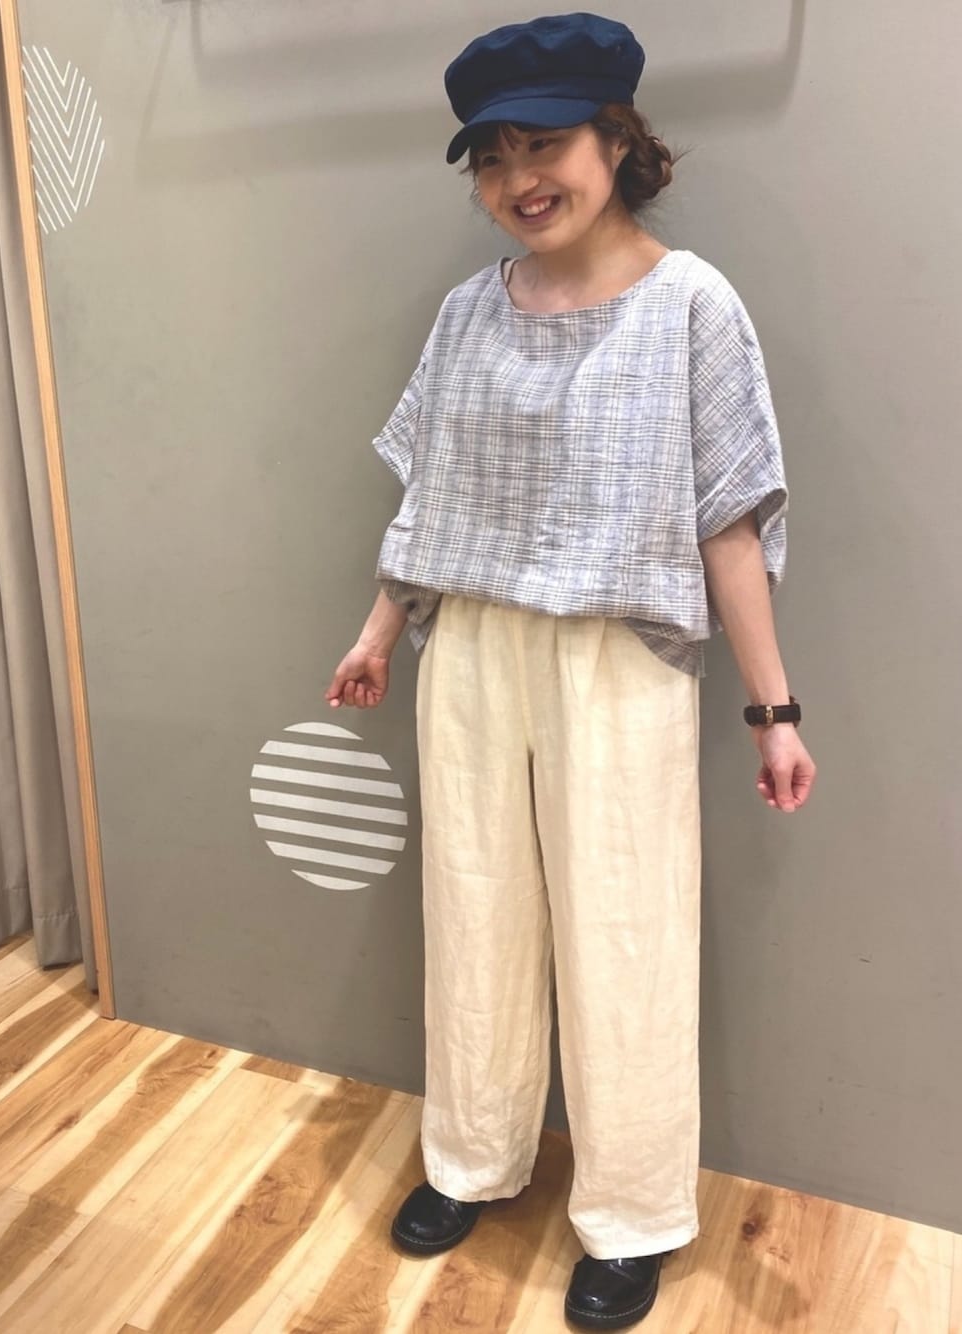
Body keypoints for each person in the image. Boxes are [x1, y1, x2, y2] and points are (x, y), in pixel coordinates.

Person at [325, 13, 817, 1330]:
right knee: (473, 905)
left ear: (617, 140)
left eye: (542, 144)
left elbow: (728, 518)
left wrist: (774, 708)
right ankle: (470, 1157)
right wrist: (378, 631)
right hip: (473, 646)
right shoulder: (466, 313)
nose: (518, 179)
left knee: (623, 929)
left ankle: (632, 1214)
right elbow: (434, 497)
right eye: (491, 157)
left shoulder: (694, 304)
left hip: (619, 657)